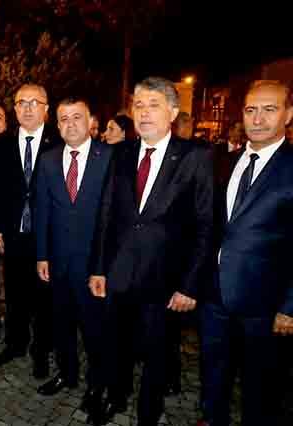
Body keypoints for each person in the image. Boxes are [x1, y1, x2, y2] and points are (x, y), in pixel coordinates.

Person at [89, 76, 215, 426]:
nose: (144, 113)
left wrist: (190, 285)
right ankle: (116, 396)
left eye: (153, 105)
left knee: (158, 352)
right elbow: (105, 213)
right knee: (117, 345)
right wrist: (98, 268)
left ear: (173, 112)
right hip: (119, 273)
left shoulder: (196, 156)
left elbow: (206, 226)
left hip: (165, 279)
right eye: (139, 105)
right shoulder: (121, 153)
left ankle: (149, 411)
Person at [201, 80, 293, 426]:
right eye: (251, 110)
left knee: (260, 387)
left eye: (269, 109)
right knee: (213, 375)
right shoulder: (224, 161)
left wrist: (289, 307)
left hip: (265, 305)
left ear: (288, 114)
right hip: (214, 297)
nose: (258, 118)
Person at [33, 97, 113, 421]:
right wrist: (42, 255)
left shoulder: (110, 157)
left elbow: (114, 217)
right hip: (58, 262)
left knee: (95, 330)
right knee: (61, 324)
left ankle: (97, 384)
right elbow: (42, 210)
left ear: (91, 120)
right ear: (57, 124)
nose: (70, 124)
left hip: (96, 265)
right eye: (64, 119)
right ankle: (67, 373)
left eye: (77, 117)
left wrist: (104, 266)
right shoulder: (48, 160)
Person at [0, 84, 60, 379]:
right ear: (14, 108)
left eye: (34, 102)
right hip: (12, 234)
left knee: (45, 298)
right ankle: (15, 344)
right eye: (22, 102)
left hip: (48, 235)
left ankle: (41, 351)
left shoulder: (59, 141)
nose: (28, 108)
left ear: (46, 108)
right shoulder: (1, 142)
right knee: (15, 294)